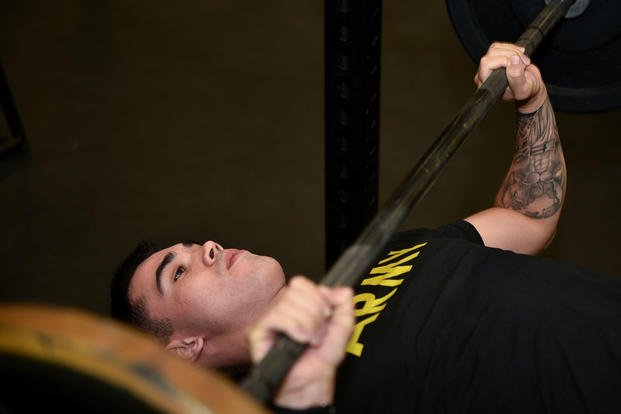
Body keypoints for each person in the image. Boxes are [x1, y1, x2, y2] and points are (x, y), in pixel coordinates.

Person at [110, 43, 621, 413]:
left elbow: (530, 217)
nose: (210, 247)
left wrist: (531, 102)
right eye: (176, 273)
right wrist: (304, 393)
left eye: (195, 245)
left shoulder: (377, 255)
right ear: (183, 347)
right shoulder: (301, 400)